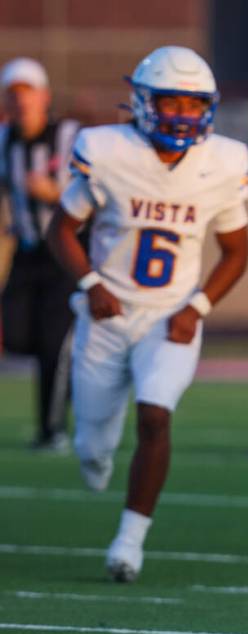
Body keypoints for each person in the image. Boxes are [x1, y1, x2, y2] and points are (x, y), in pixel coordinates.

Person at [46, 46, 248, 582]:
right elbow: (60, 229)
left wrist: (199, 306)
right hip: (106, 315)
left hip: (171, 317)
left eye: (193, 103)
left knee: (155, 415)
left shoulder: (222, 162)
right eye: (170, 101)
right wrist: (89, 283)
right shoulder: (107, 150)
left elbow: (237, 251)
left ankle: (129, 542)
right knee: (92, 448)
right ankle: (97, 454)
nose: (182, 114)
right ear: (142, 102)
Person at [0, 57, 82, 451]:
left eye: (27, 94)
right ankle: (73, 364)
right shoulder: (4, 142)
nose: (21, 103)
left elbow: (97, 194)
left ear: (44, 97)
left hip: (65, 253)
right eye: (13, 96)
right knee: (15, 335)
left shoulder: (68, 136)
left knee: (53, 345)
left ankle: (53, 431)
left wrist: (55, 194)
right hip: (27, 252)